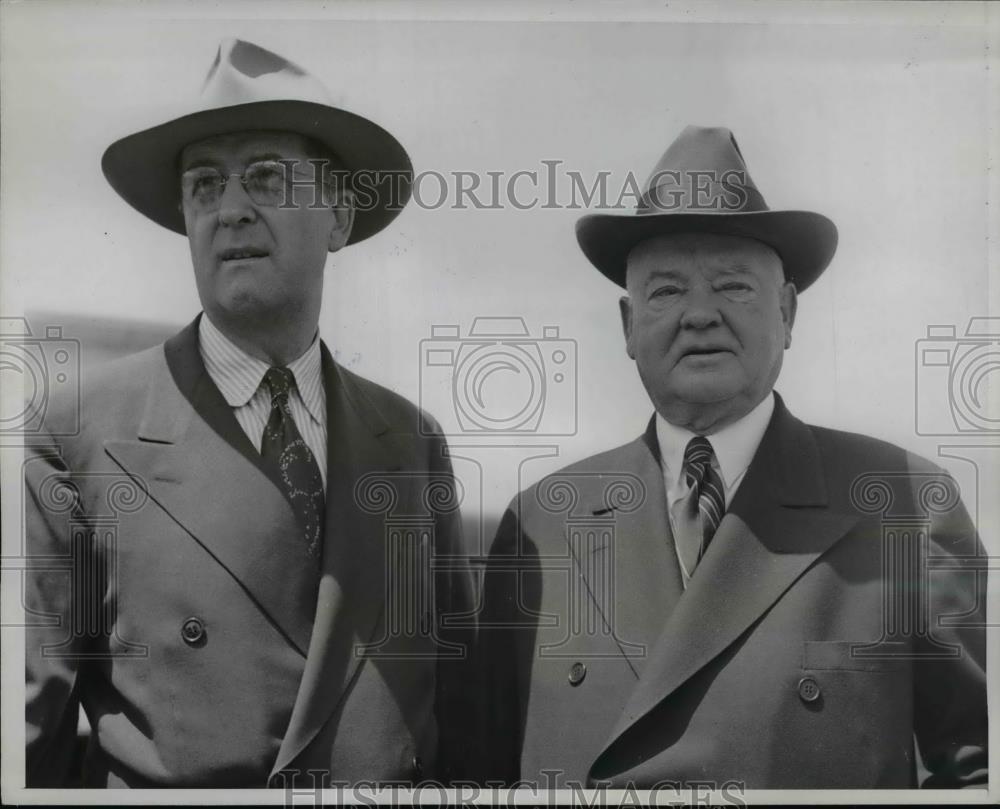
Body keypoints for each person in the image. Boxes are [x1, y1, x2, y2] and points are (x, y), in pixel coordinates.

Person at [477, 125, 987, 789]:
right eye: (665, 291)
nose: (699, 314)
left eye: (733, 286)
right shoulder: (541, 522)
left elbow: (981, 770)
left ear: (788, 312)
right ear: (628, 328)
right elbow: (474, 773)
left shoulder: (905, 504)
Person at [24, 38, 472, 788]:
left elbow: (462, 720)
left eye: (265, 178)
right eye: (204, 185)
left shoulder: (412, 442)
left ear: (337, 215)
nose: (229, 209)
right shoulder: (77, 435)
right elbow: (28, 740)